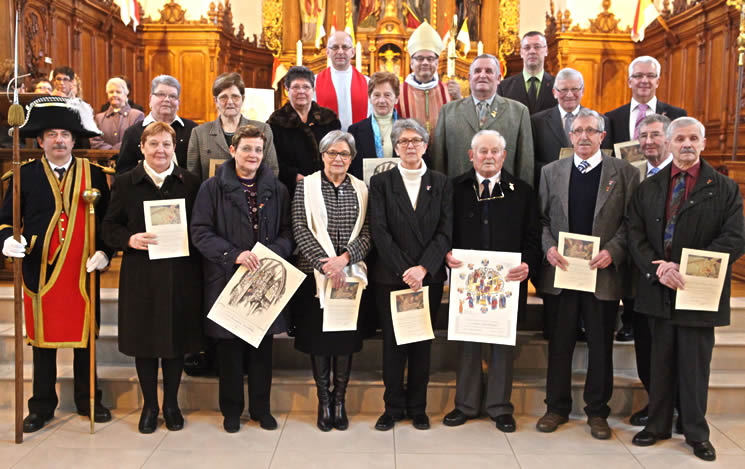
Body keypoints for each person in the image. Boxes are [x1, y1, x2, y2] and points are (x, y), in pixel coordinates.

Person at [628, 117, 745, 462]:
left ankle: (695, 432)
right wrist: (659, 268)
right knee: (658, 362)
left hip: (699, 291)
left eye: (693, 138)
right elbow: (635, 234)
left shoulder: (724, 188)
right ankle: (658, 425)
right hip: (658, 288)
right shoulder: (648, 187)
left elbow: (735, 238)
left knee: (695, 366)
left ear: (703, 143)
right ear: (668, 143)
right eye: (680, 138)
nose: (686, 144)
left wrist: (688, 267)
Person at [0, 96, 113, 432]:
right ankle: (41, 406)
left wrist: (106, 252)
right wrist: (7, 239)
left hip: (83, 270)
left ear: (73, 139)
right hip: (41, 270)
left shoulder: (94, 174)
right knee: (42, 343)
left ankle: (87, 398)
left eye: (64, 134)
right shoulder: (24, 175)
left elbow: (108, 223)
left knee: (85, 340)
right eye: (51, 134)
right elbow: (6, 219)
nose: (59, 140)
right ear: (40, 140)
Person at [536, 108, 638, 439]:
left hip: (603, 276)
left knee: (600, 346)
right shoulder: (552, 172)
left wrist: (614, 251)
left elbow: (630, 223)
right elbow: (543, 221)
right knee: (560, 344)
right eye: (577, 130)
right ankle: (556, 407)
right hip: (563, 275)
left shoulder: (624, 173)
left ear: (602, 136)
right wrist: (549, 247)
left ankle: (597, 412)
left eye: (590, 131)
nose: (583, 136)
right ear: (570, 135)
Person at [102, 122, 203, 434]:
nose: (161, 150)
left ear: (175, 148)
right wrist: (129, 239)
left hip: (180, 273)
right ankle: (149, 406)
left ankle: (171, 404)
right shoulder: (125, 183)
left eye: (167, 144)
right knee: (145, 343)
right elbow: (109, 227)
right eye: (154, 144)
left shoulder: (190, 182)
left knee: (175, 341)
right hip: (141, 274)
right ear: (142, 147)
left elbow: (200, 226)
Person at [191, 125, 292, 433]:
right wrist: (233, 254)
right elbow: (199, 232)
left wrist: (272, 254)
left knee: (262, 349)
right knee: (230, 351)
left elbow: (289, 232)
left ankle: (261, 409)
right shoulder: (212, 188)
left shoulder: (277, 189)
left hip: (263, 280)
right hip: (227, 277)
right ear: (232, 151)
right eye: (246, 148)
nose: (253, 155)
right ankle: (232, 410)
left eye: (258, 150)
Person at [442, 130, 541, 433]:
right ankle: (466, 405)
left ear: (504, 156)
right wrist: (445, 254)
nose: (488, 156)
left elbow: (534, 237)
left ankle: (500, 407)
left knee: (502, 345)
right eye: (482, 151)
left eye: (494, 151)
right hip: (466, 283)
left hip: (507, 284)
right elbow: (443, 229)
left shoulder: (521, 191)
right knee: (469, 343)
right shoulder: (455, 188)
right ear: (471, 155)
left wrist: (528, 264)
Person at [369, 119, 452, 431]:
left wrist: (423, 268)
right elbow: (379, 230)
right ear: (395, 146)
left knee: (420, 344)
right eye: (403, 141)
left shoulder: (441, 183)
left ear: (426, 145)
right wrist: (406, 270)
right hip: (392, 277)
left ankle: (418, 407)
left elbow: (445, 232)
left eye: (416, 140)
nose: (410, 146)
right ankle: (392, 407)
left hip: (427, 278)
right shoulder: (381, 183)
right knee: (393, 346)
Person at [291, 130, 372, 432]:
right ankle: (324, 401)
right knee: (320, 342)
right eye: (332, 153)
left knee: (344, 342)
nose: (338, 159)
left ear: (352, 159)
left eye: (345, 154)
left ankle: (340, 400)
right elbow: (299, 228)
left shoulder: (362, 189)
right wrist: (326, 265)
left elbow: (368, 233)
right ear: (322, 155)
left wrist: (344, 260)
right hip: (316, 277)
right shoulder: (306, 187)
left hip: (350, 276)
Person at [606, 57, 687, 343]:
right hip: (626, 193)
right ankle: (629, 319)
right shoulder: (612, 117)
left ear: (658, 80)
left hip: (667, 195)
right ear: (629, 80)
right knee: (630, 258)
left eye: (650, 76)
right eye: (638, 75)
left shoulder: (676, 115)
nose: (644, 80)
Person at [625, 114, 676, 428]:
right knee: (645, 346)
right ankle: (654, 403)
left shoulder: (684, 175)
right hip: (640, 277)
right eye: (643, 136)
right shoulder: (634, 174)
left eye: (655, 135)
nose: (648, 142)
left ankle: (680, 408)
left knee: (673, 348)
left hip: (675, 279)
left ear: (668, 138)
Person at [431, 54, 534, 186]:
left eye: (489, 71)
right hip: (458, 196)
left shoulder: (519, 112)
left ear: (498, 79)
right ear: (469, 78)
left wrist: (524, 200)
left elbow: (525, 165)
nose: (482, 75)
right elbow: (438, 162)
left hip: (505, 197)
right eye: (477, 71)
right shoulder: (448, 112)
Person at [187, 72, 278, 181]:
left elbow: (272, 171)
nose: (230, 102)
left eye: (235, 97)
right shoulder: (199, 133)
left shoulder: (263, 129)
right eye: (223, 97)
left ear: (243, 99)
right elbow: (192, 178)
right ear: (215, 101)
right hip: (212, 196)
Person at [267, 66, 341, 196]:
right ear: (287, 90)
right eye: (295, 87)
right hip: (291, 190)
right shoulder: (275, 123)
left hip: (327, 187)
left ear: (313, 90)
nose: (301, 91)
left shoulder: (329, 119)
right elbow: (271, 159)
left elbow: (339, 152)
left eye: (306, 87)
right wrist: (295, 177)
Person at [116, 75, 198, 174]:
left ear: (178, 102)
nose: (167, 99)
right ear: (150, 99)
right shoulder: (133, 133)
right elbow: (123, 172)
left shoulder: (193, 130)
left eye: (172, 96)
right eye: (161, 94)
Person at [397, 21, 460, 136]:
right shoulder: (399, 92)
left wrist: (458, 99)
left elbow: (459, 126)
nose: (425, 63)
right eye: (420, 58)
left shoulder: (449, 91)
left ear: (436, 62)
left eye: (430, 58)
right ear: (411, 63)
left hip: (441, 153)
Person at [314, 31, 371, 131]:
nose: (340, 52)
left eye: (345, 47)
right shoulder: (314, 82)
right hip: (327, 142)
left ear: (352, 52)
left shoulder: (368, 83)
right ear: (327, 52)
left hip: (358, 142)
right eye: (335, 47)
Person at [347, 71, 399, 179]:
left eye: (387, 95)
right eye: (376, 95)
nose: (382, 100)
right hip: (367, 191)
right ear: (369, 98)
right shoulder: (355, 131)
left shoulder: (410, 129)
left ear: (396, 98)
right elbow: (351, 169)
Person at [497, 32, 557, 115]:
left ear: (546, 51)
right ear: (521, 52)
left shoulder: (558, 85)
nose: (532, 51)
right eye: (527, 47)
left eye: (537, 47)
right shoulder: (503, 88)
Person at [90, 77, 145, 150]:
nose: (114, 95)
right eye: (111, 92)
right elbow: (95, 141)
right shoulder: (99, 118)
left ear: (126, 94)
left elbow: (136, 139)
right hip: (103, 160)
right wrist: (110, 151)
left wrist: (115, 150)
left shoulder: (137, 116)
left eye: (118, 92)